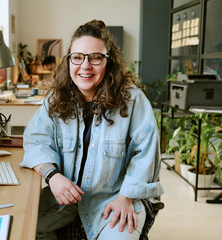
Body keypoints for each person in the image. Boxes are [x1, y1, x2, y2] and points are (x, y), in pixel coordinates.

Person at [20, 19, 164, 240]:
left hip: (115, 199)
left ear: (109, 62)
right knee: (21, 226)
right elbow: (35, 140)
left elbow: (145, 154)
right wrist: (53, 176)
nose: (85, 66)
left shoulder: (132, 100)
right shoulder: (56, 99)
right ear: (69, 61)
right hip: (68, 197)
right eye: (77, 57)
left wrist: (125, 198)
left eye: (95, 58)